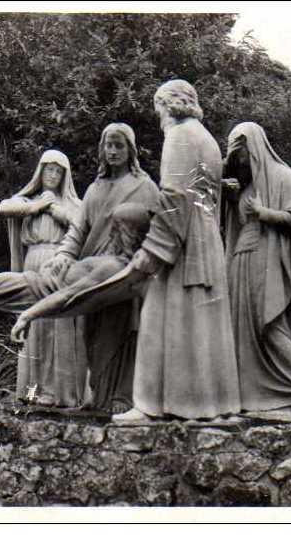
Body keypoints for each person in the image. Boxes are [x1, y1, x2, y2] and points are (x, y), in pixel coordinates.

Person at [113, 80, 241, 422]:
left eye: (158, 110)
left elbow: (174, 198)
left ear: (170, 106)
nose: (158, 118)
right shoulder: (207, 139)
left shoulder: (180, 137)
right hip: (206, 238)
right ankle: (207, 405)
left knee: (159, 319)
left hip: (183, 242)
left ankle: (150, 405)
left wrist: (152, 250)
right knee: (200, 325)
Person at [0, 202, 152, 344]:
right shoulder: (121, 265)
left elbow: (68, 296)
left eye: (116, 229)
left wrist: (27, 316)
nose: (110, 234)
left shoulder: (115, 267)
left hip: (32, 288)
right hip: (35, 282)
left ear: (128, 231)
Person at [42, 124, 160, 414]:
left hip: (124, 272)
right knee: (92, 335)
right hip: (91, 271)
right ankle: (97, 395)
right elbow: (78, 229)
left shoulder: (144, 186)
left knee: (121, 332)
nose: (113, 151)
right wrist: (63, 254)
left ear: (130, 150)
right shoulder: (95, 188)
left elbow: (157, 229)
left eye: (119, 145)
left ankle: (122, 397)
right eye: (109, 145)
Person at [222, 122, 291, 423]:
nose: (239, 162)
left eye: (241, 154)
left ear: (255, 149)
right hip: (241, 260)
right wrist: (228, 200)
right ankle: (253, 398)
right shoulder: (246, 187)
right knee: (242, 332)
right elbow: (234, 227)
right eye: (234, 157)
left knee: (272, 326)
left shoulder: (283, 176)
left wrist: (265, 214)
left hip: (268, 261)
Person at [0, 150, 86, 408]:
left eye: (58, 171)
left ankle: (57, 391)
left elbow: (82, 223)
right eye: (48, 169)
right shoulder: (29, 200)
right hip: (33, 263)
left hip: (59, 263)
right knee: (33, 328)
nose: (53, 175)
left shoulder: (71, 204)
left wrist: (56, 210)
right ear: (40, 171)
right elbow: (5, 207)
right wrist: (38, 205)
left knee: (54, 328)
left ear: (64, 176)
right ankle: (33, 391)